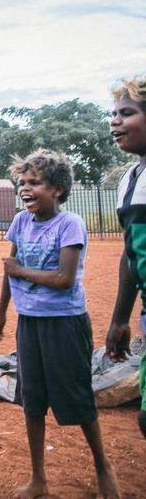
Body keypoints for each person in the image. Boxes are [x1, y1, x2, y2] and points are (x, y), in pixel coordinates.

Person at [0, 149, 120, 499]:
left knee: (77, 394)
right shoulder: (20, 222)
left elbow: (65, 279)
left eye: (35, 183)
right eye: (22, 182)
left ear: (58, 189)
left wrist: (19, 272)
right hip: (29, 322)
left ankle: (102, 465)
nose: (25, 188)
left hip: (64, 322)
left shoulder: (69, 224)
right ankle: (38, 479)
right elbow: (9, 269)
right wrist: (2, 313)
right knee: (31, 397)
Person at [105, 75, 146, 440]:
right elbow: (131, 251)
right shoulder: (129, 180)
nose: (114, 121)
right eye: (113, 114)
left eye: (126, 113)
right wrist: (120, 319)